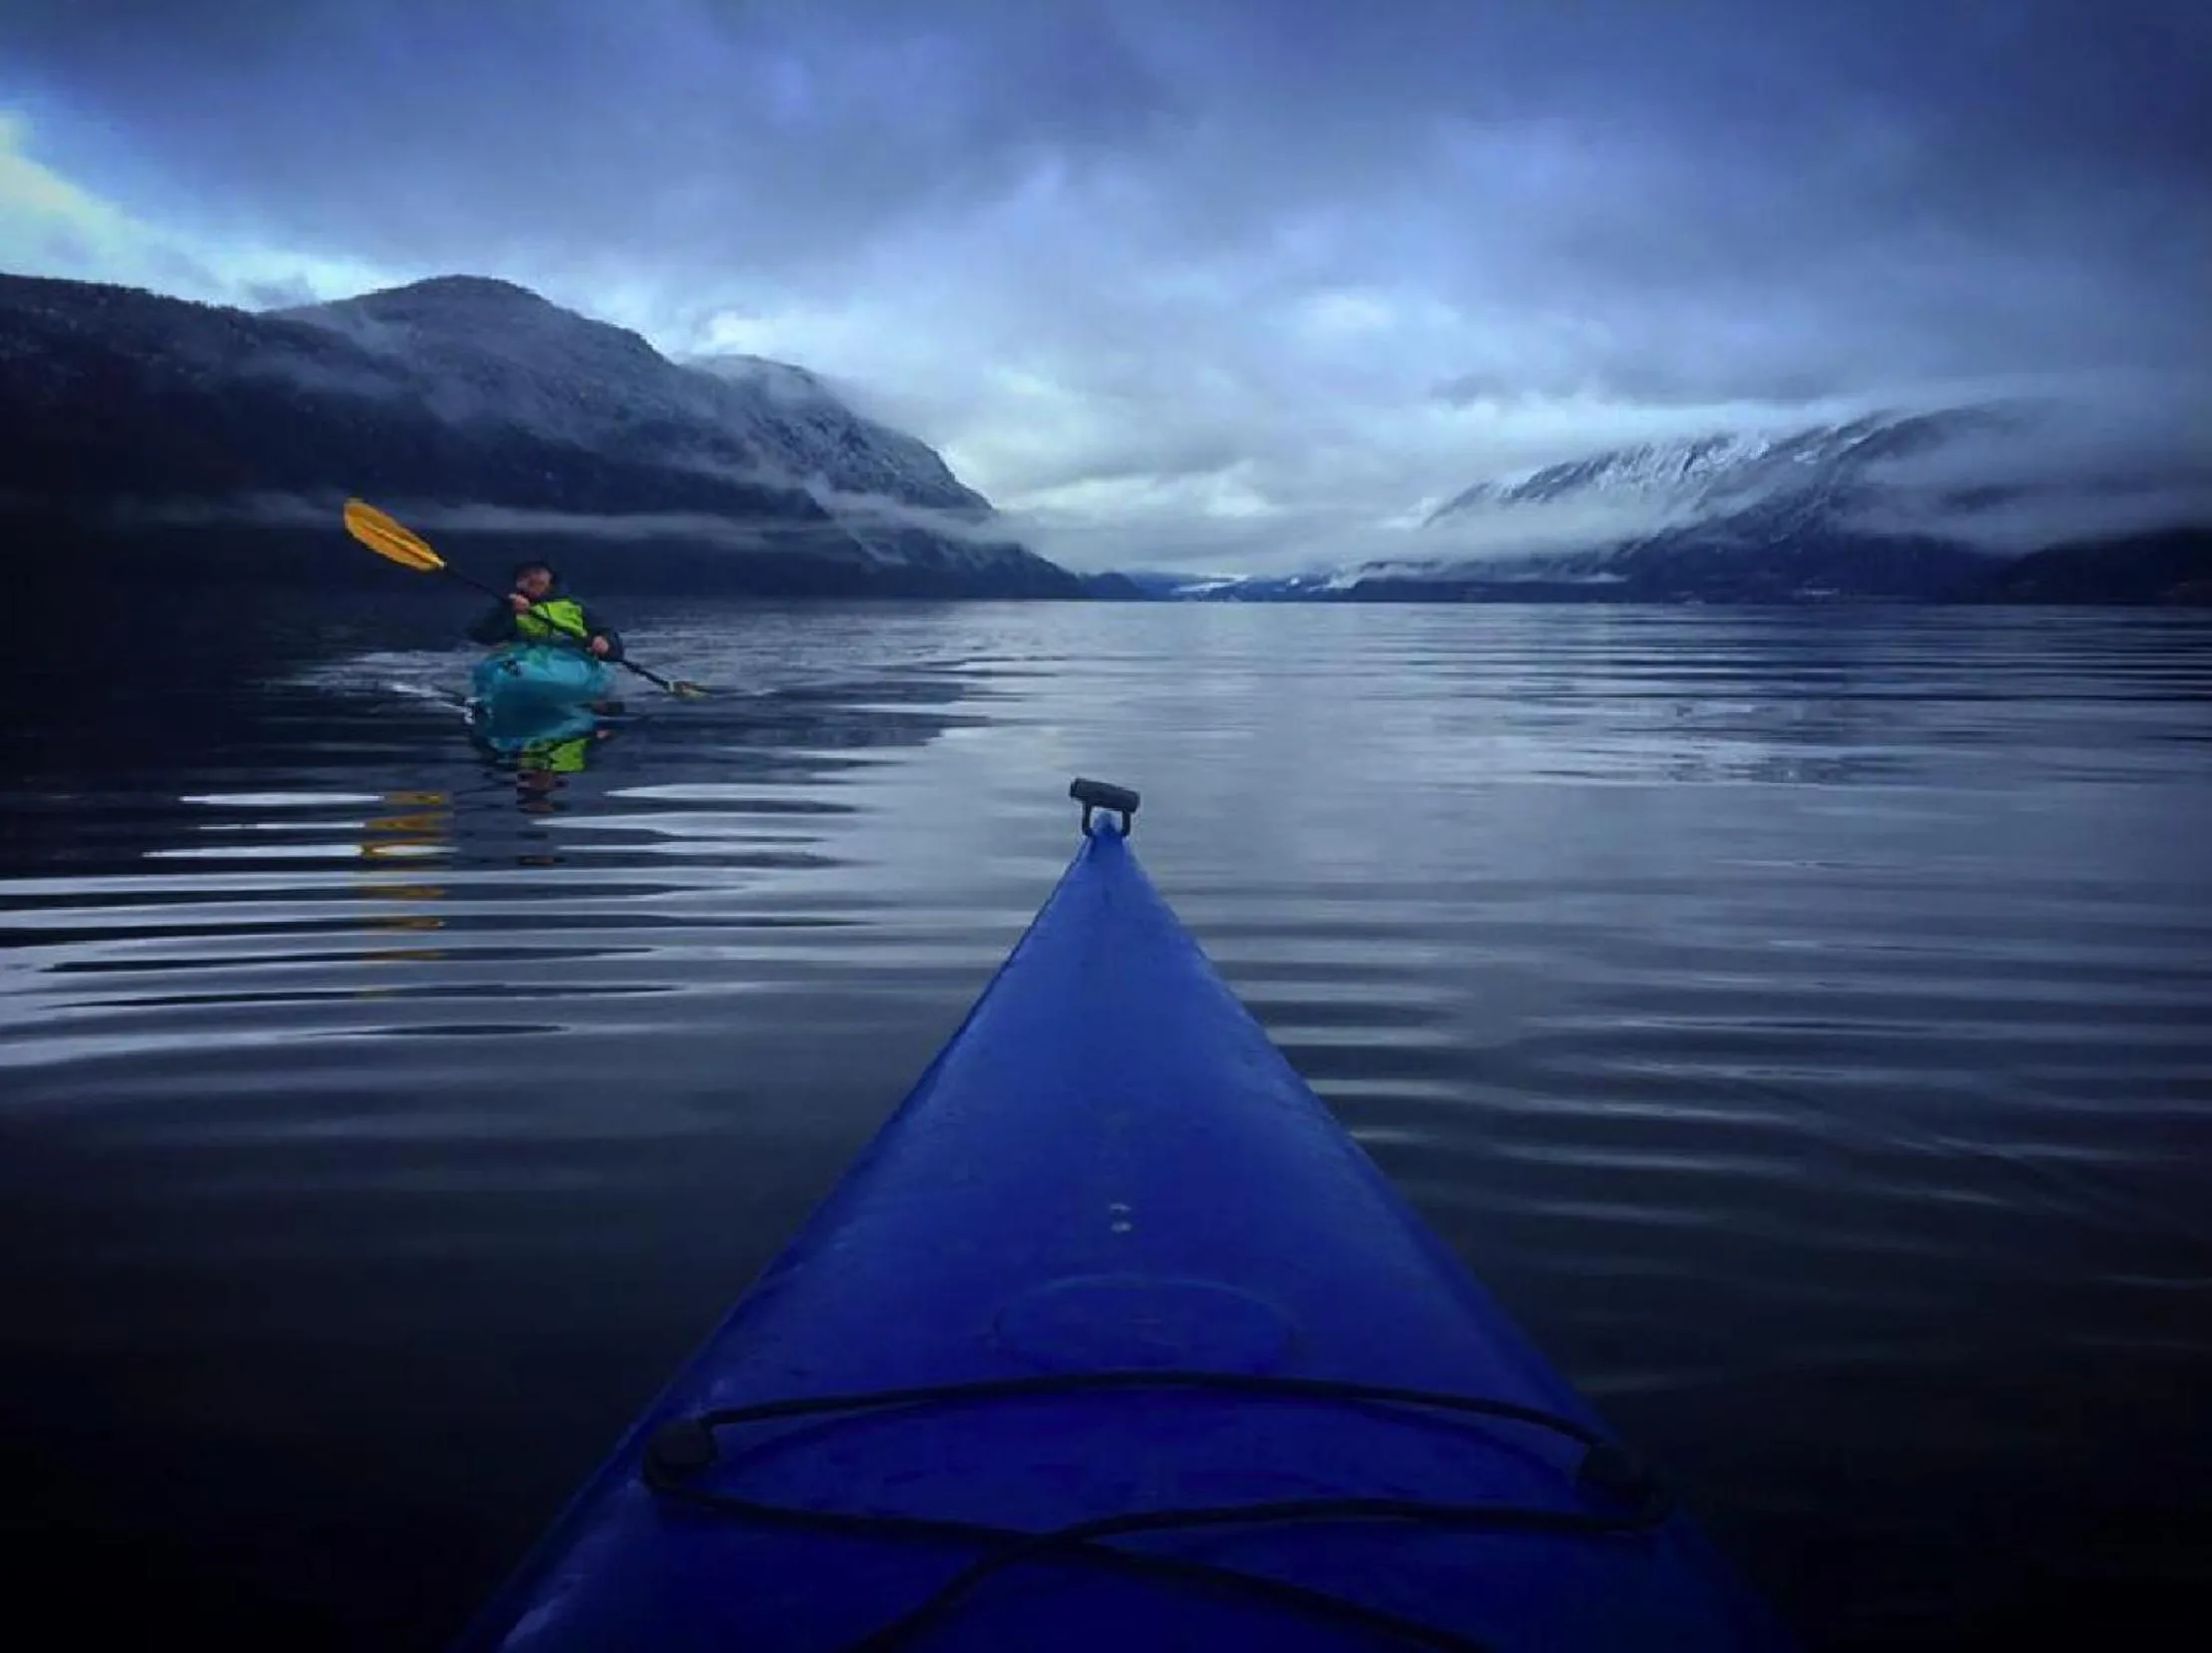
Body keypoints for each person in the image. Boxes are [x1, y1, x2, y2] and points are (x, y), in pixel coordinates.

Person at [467, 561, 624, 659]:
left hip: (574, 663)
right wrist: (507, 610)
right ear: (517, 583)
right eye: (525, 576)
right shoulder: (507, 607)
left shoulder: (575, 605)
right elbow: (480, 634)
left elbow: (610, 637)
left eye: (538, 573)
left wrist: (606, 642)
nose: (533, 579)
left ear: (550, 577)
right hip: (527, 665)